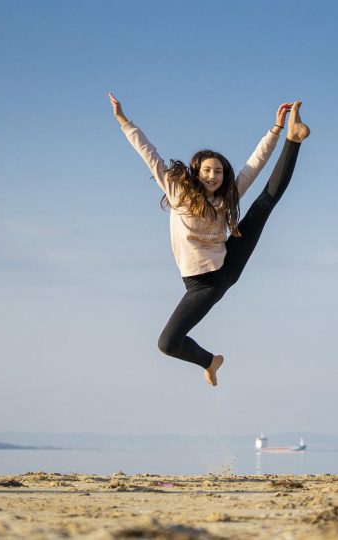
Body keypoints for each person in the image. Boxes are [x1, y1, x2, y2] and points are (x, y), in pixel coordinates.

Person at [109, 92, 310, 386]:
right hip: (199, 283)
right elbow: (148, 154)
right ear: (197, 172)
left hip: (220, 272)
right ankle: (210, 361)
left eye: (218, 171)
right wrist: (124, 121)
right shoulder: (177, 192)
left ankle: (294, 139)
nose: (213, 175)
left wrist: (276, 130)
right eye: (207, 170)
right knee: (168, 343)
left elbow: (254, 165)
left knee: (264, 204)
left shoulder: (228, 197)